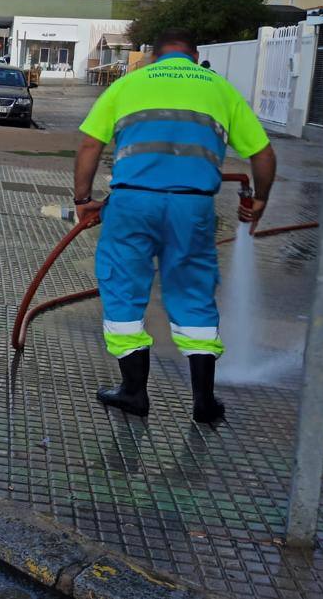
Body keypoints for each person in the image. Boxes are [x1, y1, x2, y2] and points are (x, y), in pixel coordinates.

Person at [73, 28, 276, 424]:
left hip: (132, 203)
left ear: (153, 57)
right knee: (193, 293)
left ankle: (134, 392)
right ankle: (204, 402)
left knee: (124, 290)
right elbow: (264, 155)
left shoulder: (128, 84)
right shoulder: (220, 89)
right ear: (195, 57)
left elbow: (88, 146)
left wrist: (83, 201)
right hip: (193, 206)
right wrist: (261, 199)